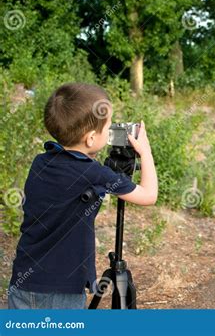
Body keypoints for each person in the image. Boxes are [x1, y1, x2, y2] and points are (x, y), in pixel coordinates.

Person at [8, 83, 158, 309]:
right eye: (108, 128)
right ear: (89, 139)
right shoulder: (93, 173)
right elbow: (149, 195)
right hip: (63, 291)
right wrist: (145, 151)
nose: (111, 132)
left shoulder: (40, 161)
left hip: (23, 282)